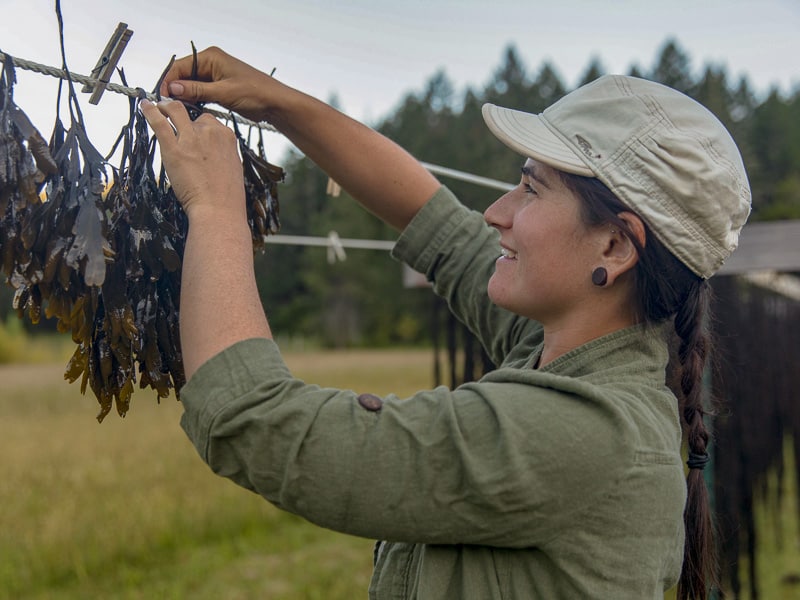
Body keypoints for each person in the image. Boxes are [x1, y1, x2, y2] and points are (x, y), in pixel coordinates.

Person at [140, 47, 751, 600]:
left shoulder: (584, 434)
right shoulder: (559, 346)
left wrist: (217, 207)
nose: (496, 212)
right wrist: (277, 103)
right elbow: (428, 216)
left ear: (616, 247)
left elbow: (253, 422)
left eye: (532, 191)